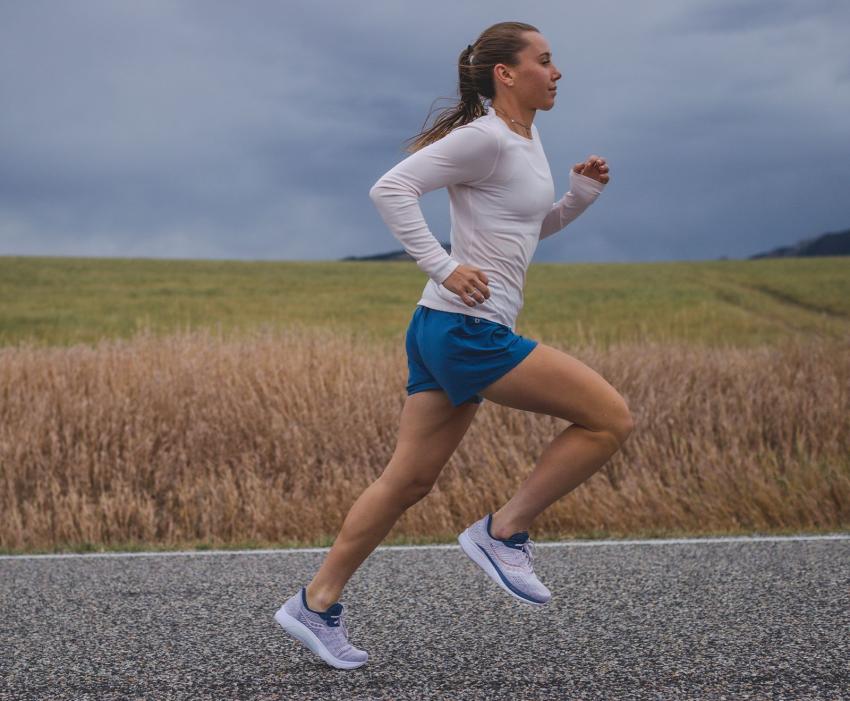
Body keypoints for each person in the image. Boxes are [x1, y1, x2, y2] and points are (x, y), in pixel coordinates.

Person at [274, 21, 634, 670]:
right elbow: (390, 188)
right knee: (609, 417)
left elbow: (528, 229)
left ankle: (315, 601)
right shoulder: (485, 138)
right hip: (469, 329)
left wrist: (580, 196)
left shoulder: (525, 139)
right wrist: (442, 265)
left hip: (443, 328)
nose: (557, 72)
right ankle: (504, 531)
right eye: (544, 61)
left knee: (407, 478)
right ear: (506, 73)